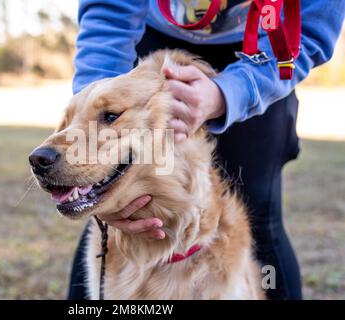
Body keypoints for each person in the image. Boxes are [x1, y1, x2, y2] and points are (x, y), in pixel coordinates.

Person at [67, 0, 345, 300]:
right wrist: (98, 108)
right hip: (150, 31)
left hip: (267, 42)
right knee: (115, 198)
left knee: (260, 211)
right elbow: (110, 10)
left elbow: (311, 24)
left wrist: (230, 92)